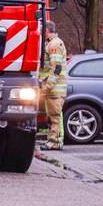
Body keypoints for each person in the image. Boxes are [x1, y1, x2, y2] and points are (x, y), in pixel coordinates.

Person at [39, 20, 68, 150]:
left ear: (47, 30)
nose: (39, 32)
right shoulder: (51, 43)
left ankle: (55, 142)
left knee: (55, 116)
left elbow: (56, 68)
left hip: (54, 89)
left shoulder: (54, 44)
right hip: (52, 89)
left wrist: (47, 87)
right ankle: (52, 141)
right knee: (52, 116)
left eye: (41, 29)